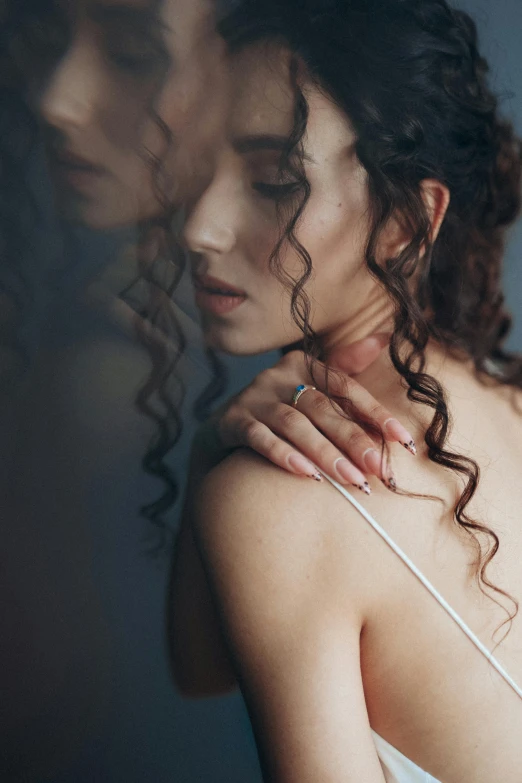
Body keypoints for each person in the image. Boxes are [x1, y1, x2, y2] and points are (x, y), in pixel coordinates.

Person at [170, 0, 522, 781]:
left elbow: (198, 677)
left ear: (405, 221)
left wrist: (227, 493)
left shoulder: (281, 503)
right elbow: (205, 668)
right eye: (201, 165)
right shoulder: (509, 401)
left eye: (271, 181)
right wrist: (207, 457)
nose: (199, 226)